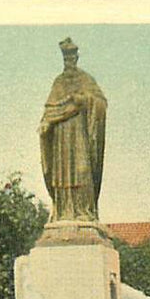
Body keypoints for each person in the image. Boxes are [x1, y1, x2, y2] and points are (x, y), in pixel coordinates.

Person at [39, 37, 107, 223]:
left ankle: (83, 211)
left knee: (82, 169)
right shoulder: (58, 82)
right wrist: (46, 123)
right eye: (66, 59)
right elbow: (50, 109)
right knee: (61, 173)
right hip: (61, 136)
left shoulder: (86, 79)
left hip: (79, 133)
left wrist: (85, 100)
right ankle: (64, 212)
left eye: (72, 58)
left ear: (76, 58)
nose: (69, 62)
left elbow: (100, 103)